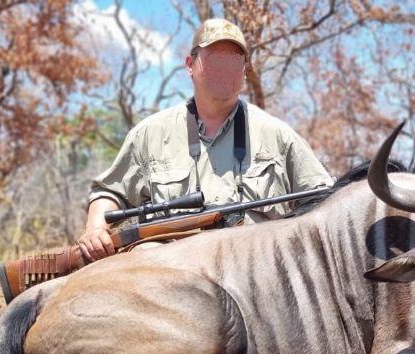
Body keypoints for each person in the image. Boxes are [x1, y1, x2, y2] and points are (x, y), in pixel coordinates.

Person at [79, 18, 332, 261]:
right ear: (190, 64)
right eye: (214, 59)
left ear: (245, 70)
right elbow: (110, 192)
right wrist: (95, 229)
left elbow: (325, 202)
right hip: (171, 276)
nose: (225, 70)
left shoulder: (278, 135)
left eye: (234, 61)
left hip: (255, 276)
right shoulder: (149, 134)